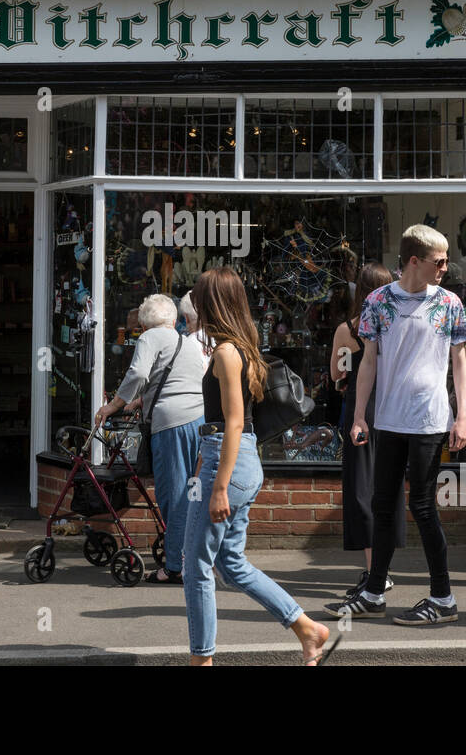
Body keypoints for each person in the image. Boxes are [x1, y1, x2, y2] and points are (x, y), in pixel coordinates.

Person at [183, 267, 332, 664]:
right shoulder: (241, 348)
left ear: (212, 304)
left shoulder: (227, 352)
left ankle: (202, 659)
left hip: (228, 464)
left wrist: (217, 486)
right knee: (230, 564)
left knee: (195, 565)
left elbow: (233, 421)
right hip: (236, 459)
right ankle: (307, 628)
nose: (195, 305)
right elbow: (229, 422)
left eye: (199, 299)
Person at [326, 224, 466, 626]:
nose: (445, 267)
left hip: (428, 419)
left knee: (423, 507)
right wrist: (358, 416)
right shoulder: (377, 301)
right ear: (414, 261)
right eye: (438, 261)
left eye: (445, 260)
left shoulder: (449, 303)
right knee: (383, 506)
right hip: (388, 417)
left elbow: (459, 363)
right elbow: (368, 361)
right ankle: (374, 592)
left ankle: (443, 597)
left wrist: (462, 416)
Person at [95, 293, 206, 583]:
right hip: (198, 420)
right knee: (192, 492)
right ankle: (191, 557)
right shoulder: (185, 341)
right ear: (173, 319)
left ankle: (174, 568)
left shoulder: (150, 338)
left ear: (144, 325)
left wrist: (114, 405)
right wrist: (143, 399)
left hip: (171, 424)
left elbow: (138, 372)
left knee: (172, 494)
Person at [328, 261, 404, 598]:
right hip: (392, 410)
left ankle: (376, 572)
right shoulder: (398, 324)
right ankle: (382, 569)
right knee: (387, 487)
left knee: (362, 489)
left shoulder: (349, 329)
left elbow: (337, 374)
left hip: (361, 410)